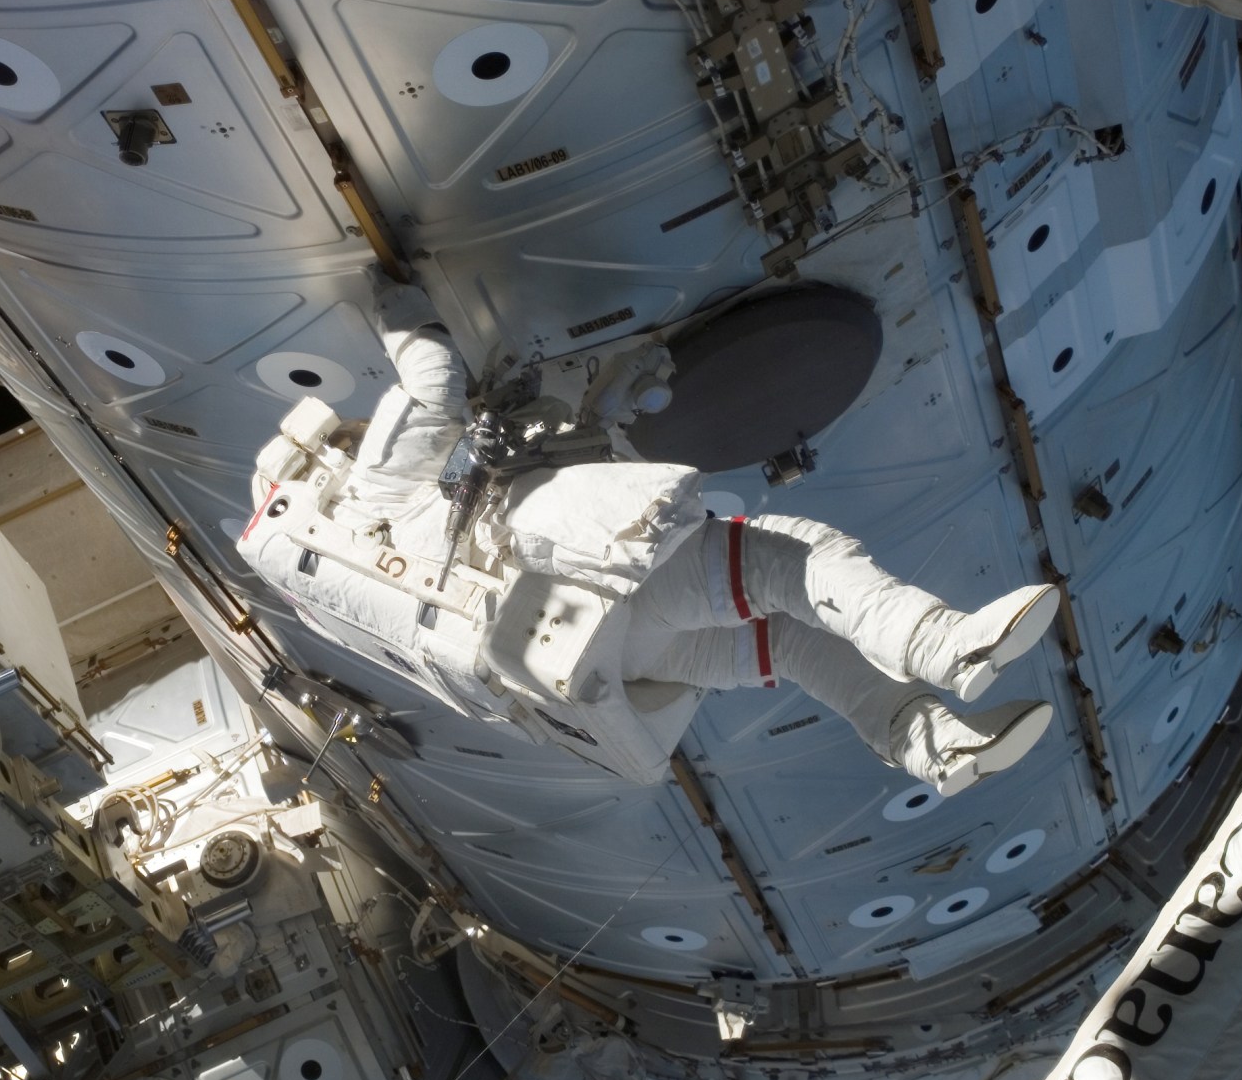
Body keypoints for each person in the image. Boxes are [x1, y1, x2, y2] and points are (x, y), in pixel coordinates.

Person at [237, 275, 1058, 795]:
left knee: (789, 643)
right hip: (580, 592)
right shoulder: (367, 491)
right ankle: (945, 644)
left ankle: (932, 743)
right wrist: (383, 287)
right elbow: (434, 379)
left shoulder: (331, 597)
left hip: (591, 661)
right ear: (325, 462)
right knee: (789, 561)